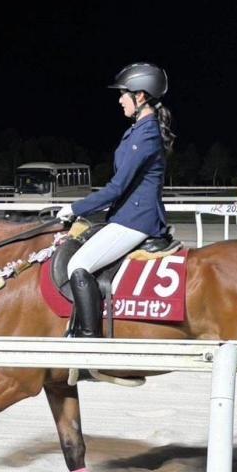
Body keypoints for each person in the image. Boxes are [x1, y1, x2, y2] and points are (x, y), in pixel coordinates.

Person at [56, 62, 175, 337]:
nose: (120, 100)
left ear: (141, 96)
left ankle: (89, 339)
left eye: (123, 94)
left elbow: (117, 188)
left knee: (78, 265)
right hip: (126, 215)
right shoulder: (136, 131)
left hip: (137, 220)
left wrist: (74, 208)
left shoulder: (146, 135)